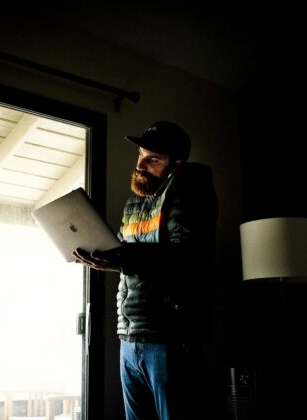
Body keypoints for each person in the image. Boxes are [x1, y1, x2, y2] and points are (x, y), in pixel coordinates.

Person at [72, 121, 218, 419]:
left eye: (153, 159)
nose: (140, 165)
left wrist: (123, 257)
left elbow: (186, 257)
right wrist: (104, 257)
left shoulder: (189, 191)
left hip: (169, 337)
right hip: (129, 334)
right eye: (140, 154)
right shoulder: (134, 204)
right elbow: (132, 260)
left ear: (177, 164)